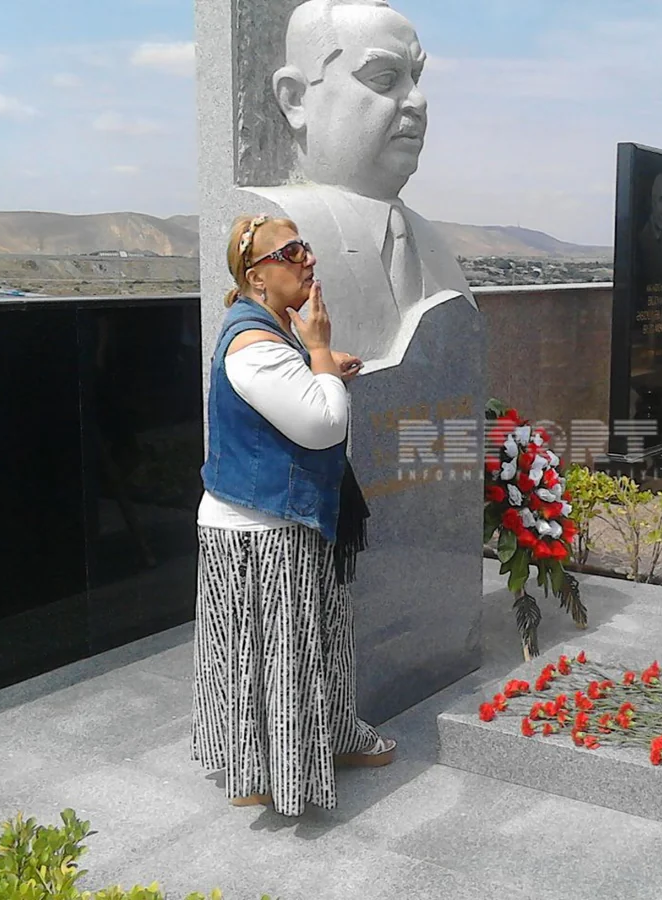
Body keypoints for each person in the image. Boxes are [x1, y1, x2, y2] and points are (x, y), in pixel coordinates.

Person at [191, 214, 396, 817]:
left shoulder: (268, 332)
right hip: (264, 531)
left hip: (270, 523)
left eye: (306, 247)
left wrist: (322, 365)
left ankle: (290, 753)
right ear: (257, 275)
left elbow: (304, 399)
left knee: (281, 651)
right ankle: (280, 771)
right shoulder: (256, 346)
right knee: (280, 655)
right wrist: (321, 352)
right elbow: (323, 424)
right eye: (293, 251)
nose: (309, 258)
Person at [246, 0, 477, 366]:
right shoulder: (278, 228)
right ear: (295, 99)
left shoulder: (429, 241)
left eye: (414, 79)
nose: (417, 100)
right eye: (384, 79)